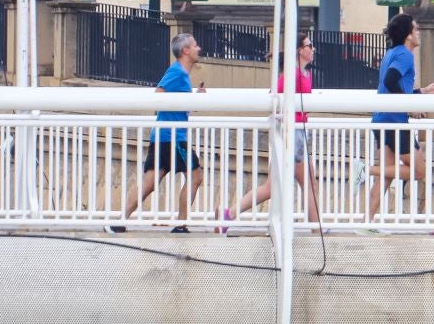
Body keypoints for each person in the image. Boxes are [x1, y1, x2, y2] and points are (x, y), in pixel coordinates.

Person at [110, 32, 205, 232]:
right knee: (195, 177)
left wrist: (195, 98)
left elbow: (177, 105)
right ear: (185, 51)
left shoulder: (181, 74)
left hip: (164, 135)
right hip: (174, 137)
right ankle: (181, 223)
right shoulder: (177, 72)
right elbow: (159, 95)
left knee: (150, 183)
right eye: (195, 45)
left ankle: (120, 220)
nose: (199, 49)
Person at [227, 33, 321, 228]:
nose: (312, 49)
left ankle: (230, 214)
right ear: (299, 50)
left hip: (297, 133)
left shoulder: (303, 73)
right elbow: (275, 96)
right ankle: (316, 228)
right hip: (292, 133)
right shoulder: (292, 74)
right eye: (309, 46)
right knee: (305, 184)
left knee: (281, 186)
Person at [365, 12, 434, 222]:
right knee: (418, 171)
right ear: (409, 34)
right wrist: (409, 106)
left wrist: (421, 92)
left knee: (385, 175)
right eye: (416, 29)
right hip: (394, 121)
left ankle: (366, 222)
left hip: (382, 119)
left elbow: (393, 86)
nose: (419, 34)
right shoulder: (405, 55)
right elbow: (391, 81)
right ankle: (364, 169)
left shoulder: (392, 52)